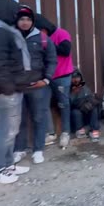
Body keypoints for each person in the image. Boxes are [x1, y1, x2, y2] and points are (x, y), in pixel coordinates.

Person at [14, 6, 57, 165]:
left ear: (32, 22)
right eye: (22, 19)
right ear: (17, 21)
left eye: (28, 19)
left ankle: (38, 150)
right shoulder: (12, 37)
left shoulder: (43, 39)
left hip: (39, 87)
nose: (25, 22)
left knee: (39, 118)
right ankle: (19, 149)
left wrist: (45, 80)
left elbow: (52, 61)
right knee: (19, 119)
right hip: (17, 87)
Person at [0, 0, 32, 184]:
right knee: (6, 130)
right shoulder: (0, 32)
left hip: (11, 88)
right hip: (5, 91)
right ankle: (0, 168)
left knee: (10, 129)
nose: (16, 15)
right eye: (14, 11)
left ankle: (8, 164)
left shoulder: (4, 29)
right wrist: (8, 88)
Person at [34, 14, 74, 148]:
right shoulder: (37, 38)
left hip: (62, 76)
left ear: (44, 27)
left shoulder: (61, 33)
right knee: (44, 104)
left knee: (64, 104)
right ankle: (50, 133)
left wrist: (48, 44)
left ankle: (65, 132)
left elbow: (66, 51)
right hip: (45, 77)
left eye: (39, 30)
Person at [70, 69, 101, 141]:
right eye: (73, 78)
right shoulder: (69, 88)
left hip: (86, 111)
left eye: (77, 77)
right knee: (76, 112)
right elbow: (69, 102)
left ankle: (94, 130)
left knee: (93, 108)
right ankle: (80, 130)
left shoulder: (84, 86)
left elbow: (90, 97)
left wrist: (89, 102)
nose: (76, 79)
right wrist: (75, 95)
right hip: (77, 113)